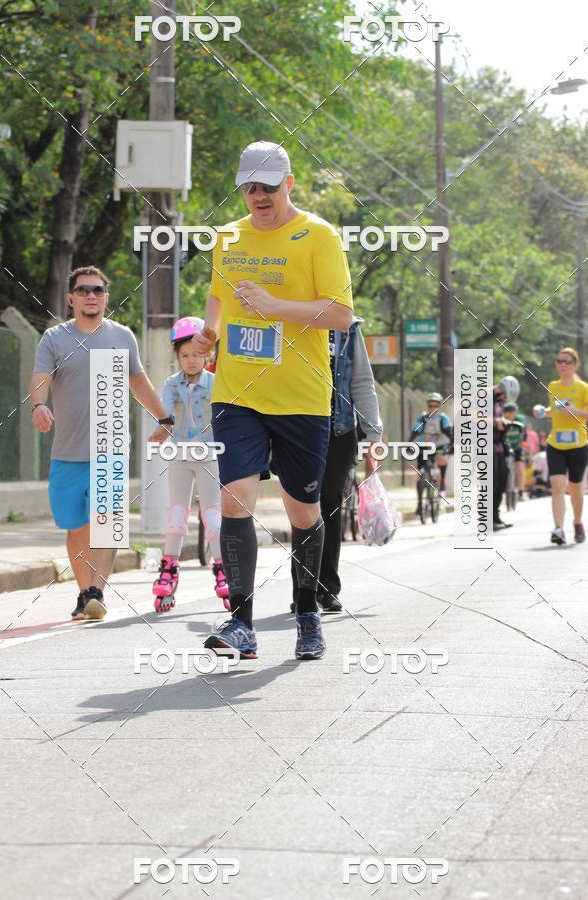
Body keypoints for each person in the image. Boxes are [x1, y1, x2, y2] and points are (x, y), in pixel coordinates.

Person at [191, 140, 353, 661]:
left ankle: (307, 609)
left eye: (267, 186)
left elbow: (340, 315)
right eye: (249, 187)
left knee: (302, 510)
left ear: (288, 183)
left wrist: (277, 306)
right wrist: (210, 332)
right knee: (234, 499)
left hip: (300, 396)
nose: (258, 196)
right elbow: (219, 293)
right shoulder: (228, 237)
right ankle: (240, 621)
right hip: (237, 392)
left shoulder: (319, 236)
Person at [30, 266, 171, 620]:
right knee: (76, 528)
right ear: (71, 298)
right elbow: (40, 379)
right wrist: (38, 405)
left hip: (111, 448)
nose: (90, 295)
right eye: (83, 290)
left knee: (106, 521)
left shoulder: (121, 336)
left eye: (97, 290)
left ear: (106, 296)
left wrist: (164, 417)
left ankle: (97, 592)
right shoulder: (54, 338)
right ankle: (83, 594)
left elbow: (139, 382)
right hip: (67, 452)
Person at [289, 317, 383, 615]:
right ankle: (302, 590)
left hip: (339, 430)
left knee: (329, 502)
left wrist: (373, 432)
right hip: (296, 426)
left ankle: (327, 587)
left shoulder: (347, 328)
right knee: (302, 503)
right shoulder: (289, 318)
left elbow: (361, 381)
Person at [151, 317, 229, 613]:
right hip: (180, 455)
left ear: (207, 354)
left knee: (212, 516)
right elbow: (166, 409)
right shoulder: (171, 384)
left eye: (197, 355)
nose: (191, 361)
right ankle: (169, 568)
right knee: (177, 514)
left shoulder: (216, 382)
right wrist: (164, 425)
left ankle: (222, 567)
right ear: (177, 356)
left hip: (210, 454)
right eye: (185, 355)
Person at [533, 347, 588, 545]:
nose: (562, 365)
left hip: (578, 444)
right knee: (557, 486)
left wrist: (576, 411)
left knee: (576, 489)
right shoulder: (553, 386)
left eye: (567, 361)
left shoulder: (584, 388)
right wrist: (544, 411)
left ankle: (577, 521)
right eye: (559, 361)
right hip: (555, 443)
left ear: (575, 365)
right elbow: (556, 410)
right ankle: (558, 528)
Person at [409, 392, 453, 516]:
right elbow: (415, 432)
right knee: (420, 473)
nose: (432, 407)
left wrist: (450, 447)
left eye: (435, 405)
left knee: (442, 458)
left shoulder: (443, 419)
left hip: (440, 445)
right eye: (430, 405)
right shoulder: (422, 418)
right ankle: (419, 504)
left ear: (439, 406)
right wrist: (409, 443)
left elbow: (450, 435)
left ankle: (442, 480)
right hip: (425, 445)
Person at [492, 383, 512, 530]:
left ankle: (495, 516)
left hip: (498, 447)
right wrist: (495, 422)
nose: (506, 399)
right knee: (491, 484)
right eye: (505, 395)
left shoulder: (498, 404)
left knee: (502, 482)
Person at [503, 402, 527, 500]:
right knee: (505, 469)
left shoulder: (519, 421)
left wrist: (523, 445)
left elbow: (524, 435)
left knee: (520, 468)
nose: (511, 415)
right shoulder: (503, 421)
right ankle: (505, 490)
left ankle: (521, 491)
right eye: (508, 412)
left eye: (513, 412)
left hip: (517, 446)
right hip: (506, 446)